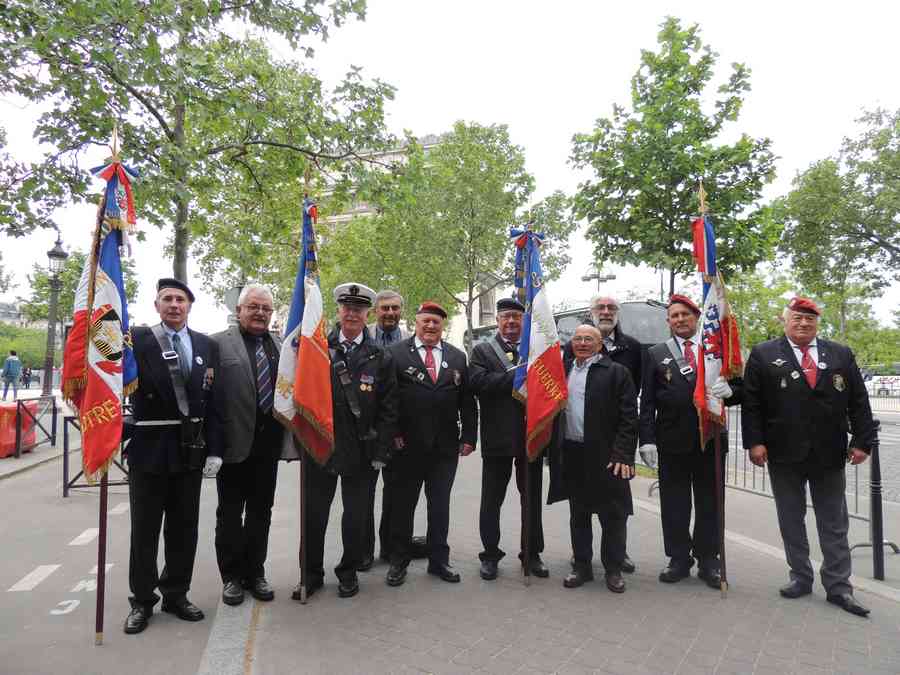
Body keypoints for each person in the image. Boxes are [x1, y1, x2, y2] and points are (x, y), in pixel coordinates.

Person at [742, 296, 876, 617]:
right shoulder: (763, 354)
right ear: (784, 320)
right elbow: (753, 404)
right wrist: (755, 443)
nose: (803, 323)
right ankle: (800, 577)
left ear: (817, 323)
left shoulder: (840, 354)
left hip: (829, 454)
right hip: (783, 452)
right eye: (797, 318)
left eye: (810, 319)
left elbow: (858, 400)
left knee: (834, 523)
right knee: (791, 519)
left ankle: (839, 587)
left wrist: (862, 442)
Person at [124, 278, 223, 635]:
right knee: (145, 530)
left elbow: (214, 403)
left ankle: (177, 594)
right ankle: (142, 601)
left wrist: (215, 449)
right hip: (150, 447)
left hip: (189, 451)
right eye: (167, 299)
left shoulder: (205, 345)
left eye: (180, 299)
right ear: (157, 305)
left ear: (189, 306)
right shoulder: (136, 339)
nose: (174, 305)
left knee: (184, 529)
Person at [293, 282, 398, 599]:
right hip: (321, 444)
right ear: (337, 310)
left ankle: (348, 571)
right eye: (347, 307)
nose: (352, 314)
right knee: (314, 515)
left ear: (367, 313)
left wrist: (382, 451)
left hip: (361, 449)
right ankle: (310, 574)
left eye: (359, 308)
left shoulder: (381, 356)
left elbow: (390, 408)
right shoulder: (316, 348)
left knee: (356, 517)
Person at [639, 294, 742, 589]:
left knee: (711, 503)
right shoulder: (656, 354)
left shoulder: (716, 351)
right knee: (674, 503)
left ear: (697, 318)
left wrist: (730, 392)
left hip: (710, 439)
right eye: (674, 316)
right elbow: (647, 401)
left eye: (685, 314)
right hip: (671, 441)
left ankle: (709, 560)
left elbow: (741, 388)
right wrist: (647, 439)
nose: (680, 319)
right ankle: (678, 558)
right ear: (668, 321)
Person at [385, 301, 477, 586]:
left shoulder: (457, 357)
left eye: (436, 322)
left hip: (444, 448)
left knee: (439, 506)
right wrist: (394, 434)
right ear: (416, 322)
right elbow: (388, 400)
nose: (430, 326)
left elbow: (467, 402)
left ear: (442, 327)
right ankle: (398, 561)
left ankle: (439, 561)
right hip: (406, 447)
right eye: (425, 321)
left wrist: (470, 437)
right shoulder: (395, 354)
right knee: (403, 506)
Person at [212, 284, 290, 606]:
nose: (260, 313)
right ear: (239, 310)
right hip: (233, 447)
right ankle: (231, 577)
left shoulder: (281, 345)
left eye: (266, 309)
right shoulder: (217, 344)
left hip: (267, 446)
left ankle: (255, 573)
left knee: (261, 513)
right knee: (230, 515)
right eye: (254, 307)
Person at [548, 325, 638, 592]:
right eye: (577, 338)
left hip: (608, 456)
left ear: (600, 345)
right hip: (574, 454)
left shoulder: (617, 373)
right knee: (579, 514)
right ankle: (582, 566)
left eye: (589, 339)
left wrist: (622, 453)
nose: (583, 343)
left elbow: (628, 417)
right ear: (571, 343)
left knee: (613, 515)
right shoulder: (562, 371)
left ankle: (613, 569)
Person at [470, 297, 548, 580]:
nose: (512, 322)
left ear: (524, 320)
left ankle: (532, 553)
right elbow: (479, 384)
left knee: (532, 501)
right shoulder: (482, 351)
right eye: (506, 317)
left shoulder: (537, 350)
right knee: (492, 501)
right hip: (497, 439)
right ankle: (490, 555)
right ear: (498, 321)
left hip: (531, 435)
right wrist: (518, 377)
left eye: (517, 317)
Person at [360, 289, 426, 570]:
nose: (390, 313)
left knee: (395, 493)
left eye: (395, 308)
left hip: (399, 433)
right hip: (366, 431)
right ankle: (363, 552)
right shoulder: (362, 338)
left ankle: (390, 547)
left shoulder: (411, 343)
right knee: (364, 494)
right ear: (375, 311)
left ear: (402, 311)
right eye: (384, 308)